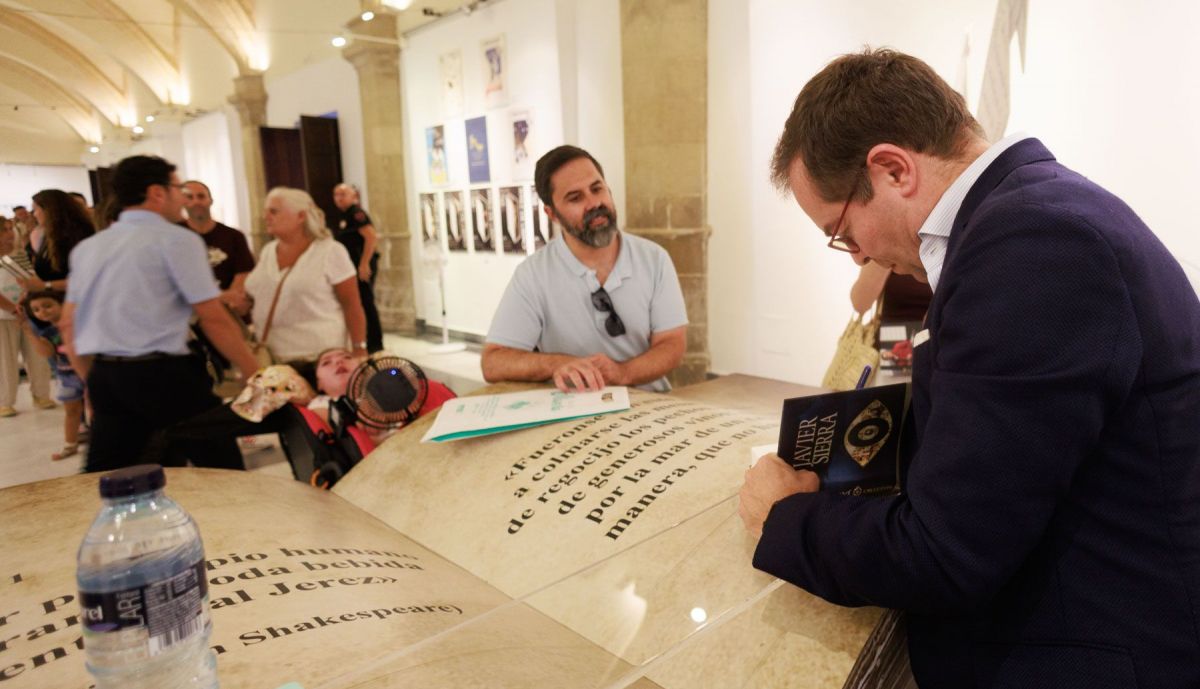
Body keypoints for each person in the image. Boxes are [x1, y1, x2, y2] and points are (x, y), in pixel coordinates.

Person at [738, 49, 1200, 689]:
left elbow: (946, 553)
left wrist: (785, 519)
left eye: (843, 231)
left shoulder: (1034, 244)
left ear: (892, 168)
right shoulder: (1035, 214)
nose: (857, 257)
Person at [61, 154, 260, 473]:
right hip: (162, 374)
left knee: (107, 475)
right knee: (223, 470)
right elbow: (213, 318)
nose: (182, 197)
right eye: (178, 188)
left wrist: (93, 381)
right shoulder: (177, 240)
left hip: (107, 375)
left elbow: (69, 324)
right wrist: (254, 372)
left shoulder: (90, 248)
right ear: (157, 192)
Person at [482, 145, 688, 393]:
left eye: (597, 189)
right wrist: (560, 364)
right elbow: (493, 362)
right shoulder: (533, 275)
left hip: (649, 407)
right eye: (575, 198)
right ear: (552, 214)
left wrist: (622, 373)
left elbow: (672, 344)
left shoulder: (654, 259)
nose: (593, 203)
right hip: (574, 414)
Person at [235, 187, 367, 363]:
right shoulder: (268, 251)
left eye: (274, 211)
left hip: (318, 358)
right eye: (265, 211)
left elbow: (352, 304)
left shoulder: (330, 251)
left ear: (301, 216)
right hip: (271, 357)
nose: (266, 217)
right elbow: (263, 292)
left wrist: (359, 349)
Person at [21, 290, 86, 460]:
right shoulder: (47, 332)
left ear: (61, 304)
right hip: (66, 375)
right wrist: (28, 331)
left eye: (47, 306)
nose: (42, 312)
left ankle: (103, 441)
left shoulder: (79, 323)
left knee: (97, 409)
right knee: (71, 410)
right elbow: (46, 352)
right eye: (36, 310)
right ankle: (70, 444)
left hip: (88, 371)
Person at [0, 221, 53, 417]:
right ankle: (5, 401)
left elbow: (31, 280)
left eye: (9, 230)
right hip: (4, 318)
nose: (10, 234)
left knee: (37, 356)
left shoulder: (16, 257)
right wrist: (12, 309)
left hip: (27, 312)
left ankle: (41, 394)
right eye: (4, 231)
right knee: (5, 360)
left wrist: (25, 300)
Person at [179, 180, 255, 307]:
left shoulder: (234, 236)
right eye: (190, 197)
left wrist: (227, 301)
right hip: (188, 313)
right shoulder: (173, 237)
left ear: (210, 200)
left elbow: (243, 275)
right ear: (182, 202)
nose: (196, 201)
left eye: (201, 196)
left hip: (229, 310)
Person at [332, 183, 383, 353]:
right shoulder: (343, 216)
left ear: (354, 196)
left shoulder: (357, 214)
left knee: (366, 303)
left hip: (361, 265)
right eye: (336, 194)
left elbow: (370, 237)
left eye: (343, 194)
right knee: (360, 302)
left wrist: (364, 264)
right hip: (352, 265)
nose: (339, 198)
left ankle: (375, 344)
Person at [21, 189, 94, 294]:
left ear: (48, 210)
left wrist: (45, 286)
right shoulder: (49, 236)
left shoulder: (80, 235)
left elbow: (86, 279)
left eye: (35, 209)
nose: (34, 215)